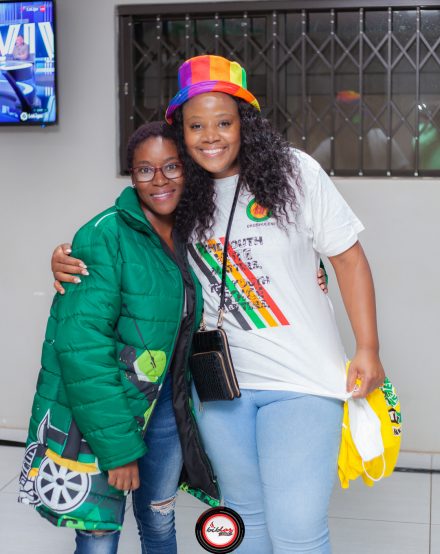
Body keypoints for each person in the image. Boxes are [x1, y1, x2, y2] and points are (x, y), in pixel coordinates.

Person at [51, 55, 385, 553]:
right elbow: (125, 239)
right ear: (180, 131)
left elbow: (349, 259)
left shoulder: (295, 172)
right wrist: (65, 257)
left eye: (224, 123)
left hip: (300, 382)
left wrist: (368, 348)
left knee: (297, 527)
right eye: (196, 126)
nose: (211, 137)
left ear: (244, 123)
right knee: (243, 517)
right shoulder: (181, 191)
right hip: (217, 388)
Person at [19, 121, 220, 554]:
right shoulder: (103, 235)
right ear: (132, 176)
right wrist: (119, 451)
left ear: (186, 169)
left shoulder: (194, 232)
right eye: (145, 170)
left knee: (160, 523)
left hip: (165, 409)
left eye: (171, 166)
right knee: (99, 537)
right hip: (99, 417)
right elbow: (82, 352)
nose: (160, 179)